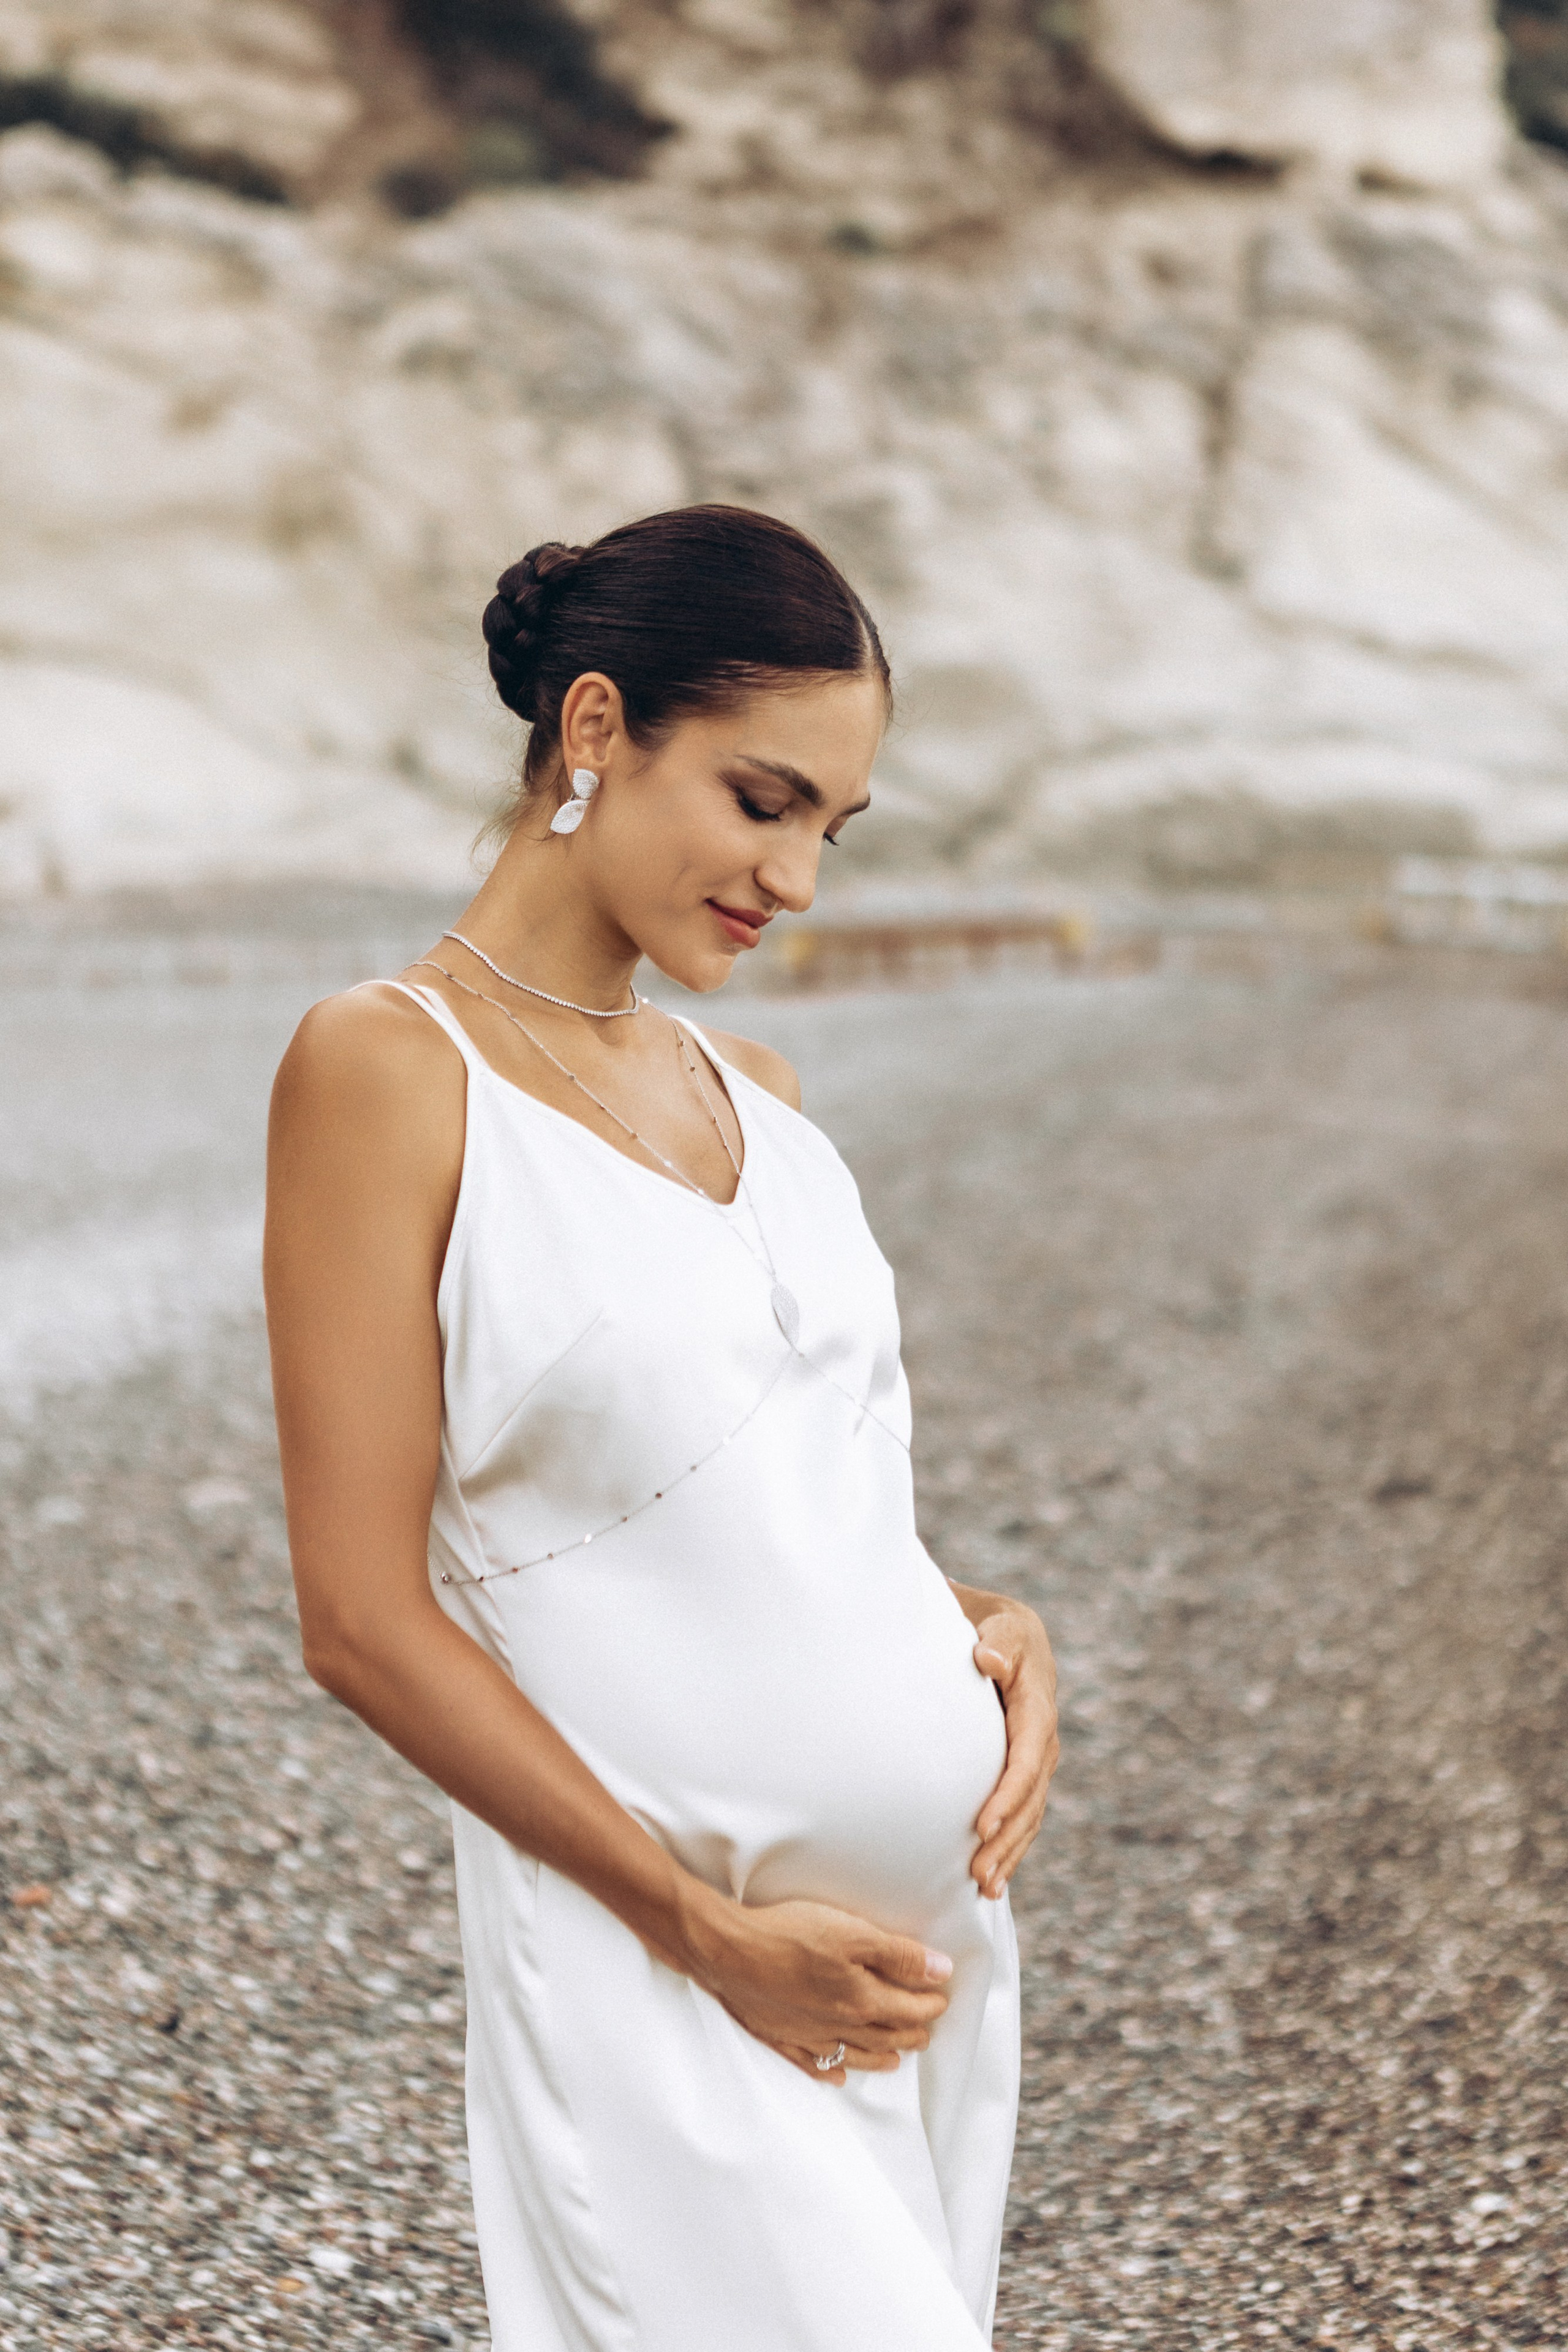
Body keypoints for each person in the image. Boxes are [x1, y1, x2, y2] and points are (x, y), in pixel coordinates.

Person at [263, 504, 1060, 2351]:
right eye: (764, 801)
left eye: (833, 832)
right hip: (666, 1971)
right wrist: (699, 1932)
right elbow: (361, 1619)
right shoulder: (387, 1070)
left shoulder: (760, 1095)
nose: (797, 883)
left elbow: (789, 1505)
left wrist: (981, 1631)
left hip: (912, 1967)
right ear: (600, 728)